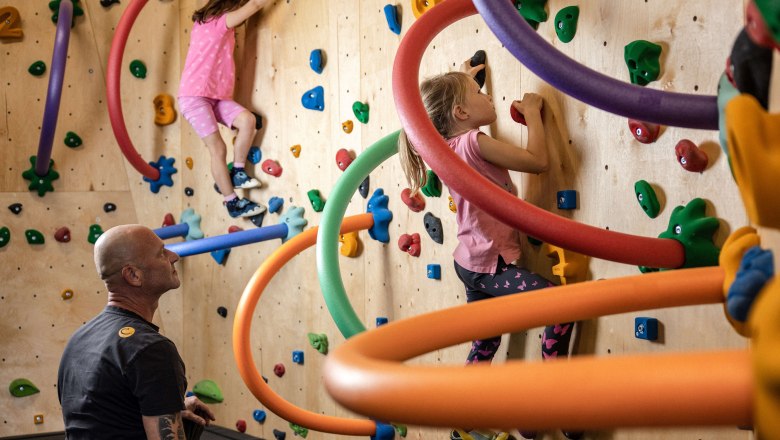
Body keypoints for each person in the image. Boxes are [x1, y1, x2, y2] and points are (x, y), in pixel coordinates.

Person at [398, 60, 578, 440]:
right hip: (491, 265)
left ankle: (462, 418)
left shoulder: (443, 148)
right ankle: (556, 395)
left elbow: (452, 111)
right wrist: (531, 114)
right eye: (478, 93)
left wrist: (463, 76)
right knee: (561, 306)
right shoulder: (472, 142)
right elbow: (539, 162)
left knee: (486, 339)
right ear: (461, 112)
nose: (488, 96)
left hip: (470, 261)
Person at [58, 225, 215, 439]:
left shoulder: (80, 338)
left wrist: (165, 405)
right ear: (133, 275)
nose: (174, 256)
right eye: (161, 253)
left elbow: (101, 418)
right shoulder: (151, 349)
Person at [178, 0, 273, 219]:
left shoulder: (203, 24)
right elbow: (256, 5)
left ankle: (238, 171)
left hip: (215, 97)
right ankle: (232, 203)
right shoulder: (219, 22)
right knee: (218, 149)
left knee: (247, 121)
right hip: (194, 97)